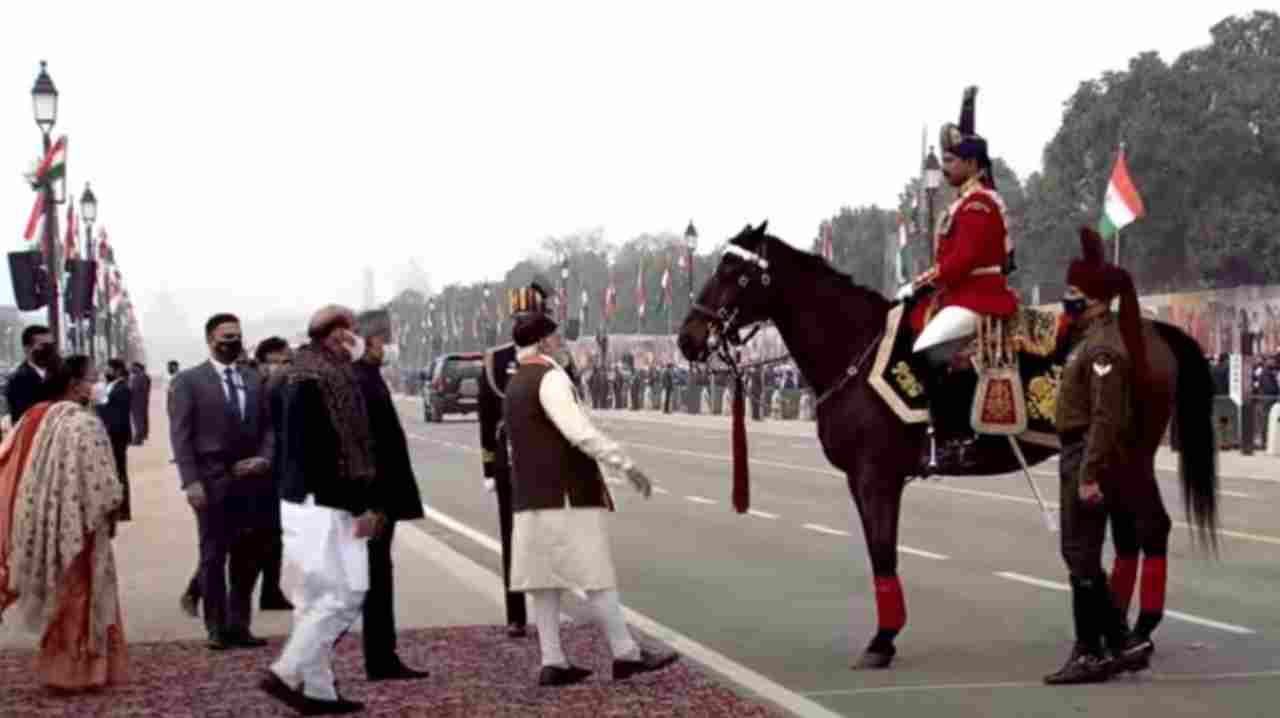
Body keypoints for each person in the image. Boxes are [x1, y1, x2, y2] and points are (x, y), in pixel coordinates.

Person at [504, 309, 678, 687]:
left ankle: (553, 660)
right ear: (545, 341)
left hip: (531, 495)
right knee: (596, 574)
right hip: (566, 493)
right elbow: (579, 432)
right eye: (557, 337)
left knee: (543, 581)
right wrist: (626, 464)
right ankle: (625, 653)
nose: (563, 343)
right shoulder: (550, 377)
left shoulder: (518, 380)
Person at [1045, 228, 1156, 685]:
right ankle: (1120, 642)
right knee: (1080, 554)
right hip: (1077, 454)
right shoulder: (1088, 339)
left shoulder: (1103, 348)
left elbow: (1105, 420)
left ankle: (1093, 650)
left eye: (1072, 294)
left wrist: (1089, 473)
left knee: (1081, 554)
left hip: (1088, 459)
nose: (1066, 300)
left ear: (1092, 299)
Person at [259, 305, 380, 715]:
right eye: (354, 331)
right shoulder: (329, 378)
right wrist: (361, 505)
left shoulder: (286, 373)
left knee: (311, 601)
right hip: (330, 502)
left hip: (295, 499)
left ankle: (318, 691)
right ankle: (286, 671)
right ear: (338, 335)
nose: (359, 338)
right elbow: (337, 450)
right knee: (346, 594)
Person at [901, 86, 1019, 471]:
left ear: (972, 164)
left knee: (926, 354)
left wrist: (918, 284)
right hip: (961, 296)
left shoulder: (980, 204)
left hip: (979, 298)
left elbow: (960, 263)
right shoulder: (967, 202)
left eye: (951, 160)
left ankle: (956, 436)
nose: (946, 166)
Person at [0, 355, 127, 691]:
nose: (97, 384)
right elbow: (103, 483)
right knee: (83, 593)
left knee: (62, 594)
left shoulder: (37, 416)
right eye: (92, 378)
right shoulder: (84, 422)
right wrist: (112, 508)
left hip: (46, 518)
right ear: (75, 385)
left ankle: (59, 667)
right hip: (82, 526)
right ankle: (82, 670)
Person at [170, 314, 275, 651]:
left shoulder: (254, 378)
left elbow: (270, 428)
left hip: (252, 479)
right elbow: (181, 436)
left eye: (237, 336)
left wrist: (265, 458)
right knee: (213, 556)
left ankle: (238, 625)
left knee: (248, 556)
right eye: (226, 336)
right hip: (212, 479)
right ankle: (215, 627)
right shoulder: (189, 381)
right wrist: (190, 482)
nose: (232, 342)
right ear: (210, 339)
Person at [352, 309, 428, 681]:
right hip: (374, 497)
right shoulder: (359, 381)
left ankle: (382, 654)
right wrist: (372, 503)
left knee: (375, 576)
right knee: (369, 579)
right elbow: (364, 448)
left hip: (381, 496)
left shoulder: (367, 378)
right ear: (369, 340)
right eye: (384, 339)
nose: (388, 347)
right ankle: (378, 657)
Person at [478, 286, 543, 640]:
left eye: (530, 318)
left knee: (550, 539)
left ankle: (550, 613)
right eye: (520, 318)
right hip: (510, 461)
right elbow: (487, 421)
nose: (524, 323)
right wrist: (489, 467)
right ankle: (515, 614)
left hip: (547, 463)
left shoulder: (556, 359)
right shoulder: (495, 360)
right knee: (513, 540)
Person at [252, 337, 295, 612]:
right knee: (250, 537)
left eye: (287, 361)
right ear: (265, 363)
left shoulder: (274, 386)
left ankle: (271, 591)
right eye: (280, 361)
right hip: (257, 471)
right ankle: (198, 586)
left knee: (273, 534)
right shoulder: (257, 387)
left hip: (276, 469)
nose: (285, 367)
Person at [96, 359, 134, 524]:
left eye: (108, 369)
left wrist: (101, 410)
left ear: (117, 370)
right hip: (112, 435)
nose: (106, 371)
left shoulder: (122, 388)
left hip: (116, 436)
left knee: (120, 473)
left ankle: (124, 510)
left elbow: (118, 415)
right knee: (114, 472)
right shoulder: (113, 387)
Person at [5, 325, 57, 425]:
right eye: (44, 345)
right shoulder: (18, 381)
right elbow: (22, 419)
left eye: (52, 345)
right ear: (27, 349)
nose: (50, 349)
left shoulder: (59, 372)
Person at [128, 363, 152, 445]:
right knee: (140, 419)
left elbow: (141, 390)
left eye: (132, 367)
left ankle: (139, 438)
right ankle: (142, 435)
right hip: (139, 401)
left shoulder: (142, 377)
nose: (131, 369)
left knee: (139, 420)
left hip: (138, 402)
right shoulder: (140, 376)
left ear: (137, 367)